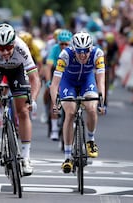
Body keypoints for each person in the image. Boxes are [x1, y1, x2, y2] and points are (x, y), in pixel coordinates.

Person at [0, 23, 41, 176]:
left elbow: (35, 79)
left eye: (8, 47)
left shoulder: (21, 47)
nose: (5, 51)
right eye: (1, 48)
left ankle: (26, 158)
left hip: (17, 70)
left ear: (14, 43)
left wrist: (32, 99)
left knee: (24, 111)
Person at [50, 31, 106, 174]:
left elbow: (101, 80)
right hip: (68, 82)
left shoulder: (97, 54)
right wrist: (54, 102)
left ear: (91, 49)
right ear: (74, 49)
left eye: (86, 51)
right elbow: (55, 83)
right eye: (79, 52)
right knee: (70, 112)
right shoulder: (65, 55)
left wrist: (101, 99)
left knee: (92, 108)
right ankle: (67, 157)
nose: (82, 55)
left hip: (87, 81)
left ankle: (91, 140)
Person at [45, 29, 73, 141]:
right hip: (56, 73)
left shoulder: (73, 51)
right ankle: (55, 129)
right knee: (54, 98)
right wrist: (48, 81)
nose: (64, 46)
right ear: (58, 43)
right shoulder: (54, 49)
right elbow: (48, 67)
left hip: (69, 75)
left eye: (66, 44)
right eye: (61, 44)